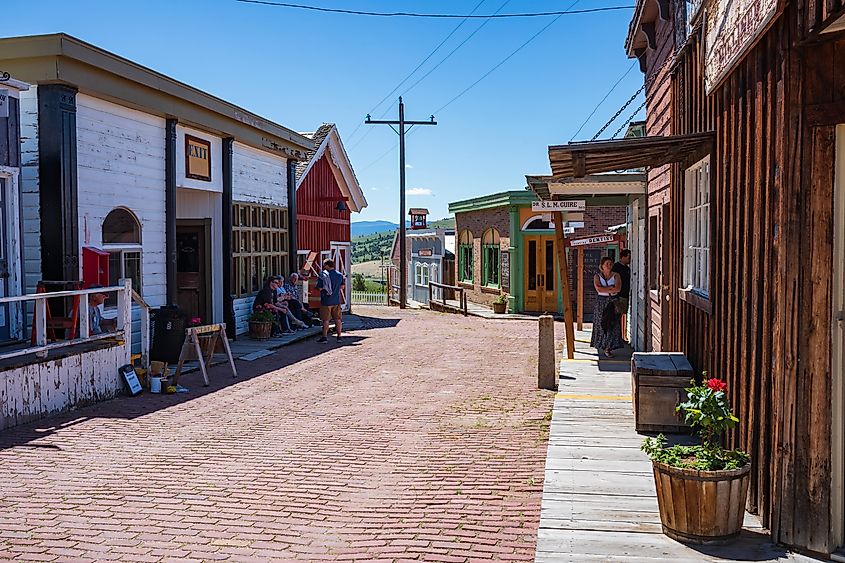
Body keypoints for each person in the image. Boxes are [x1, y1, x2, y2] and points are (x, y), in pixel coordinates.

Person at [591, 256, 624, 358]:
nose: (609, 266)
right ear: (602, 266)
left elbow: (618, 289)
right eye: (607, 264)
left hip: (613, 302)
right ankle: (602, 344)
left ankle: (608, 348)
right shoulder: (597, 276)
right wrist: (611, 288)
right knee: (601, 324)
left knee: (612, 324)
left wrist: (607, 289)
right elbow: (599, 289)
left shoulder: (616, 275)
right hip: (601, 302)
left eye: (610, 264)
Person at [316, 259, 345, 343]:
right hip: (336, 300)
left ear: (327, 265)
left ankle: (324, 337)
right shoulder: (339, 275)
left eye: (324, 265)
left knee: (325, 320)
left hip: (326, 300)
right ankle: (339, 336)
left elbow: (320, 288)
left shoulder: (323, 275)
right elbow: (342, 287)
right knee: (338, 319)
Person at [612, 249, 632, 342]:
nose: (630, 259)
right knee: (616, 317)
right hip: (618, 295)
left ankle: (621, 337)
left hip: (625, 295)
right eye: (628, 257)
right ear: (623, 257)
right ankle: (617, 338)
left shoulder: (627, 269)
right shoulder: (616, 267)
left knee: (621, 315)